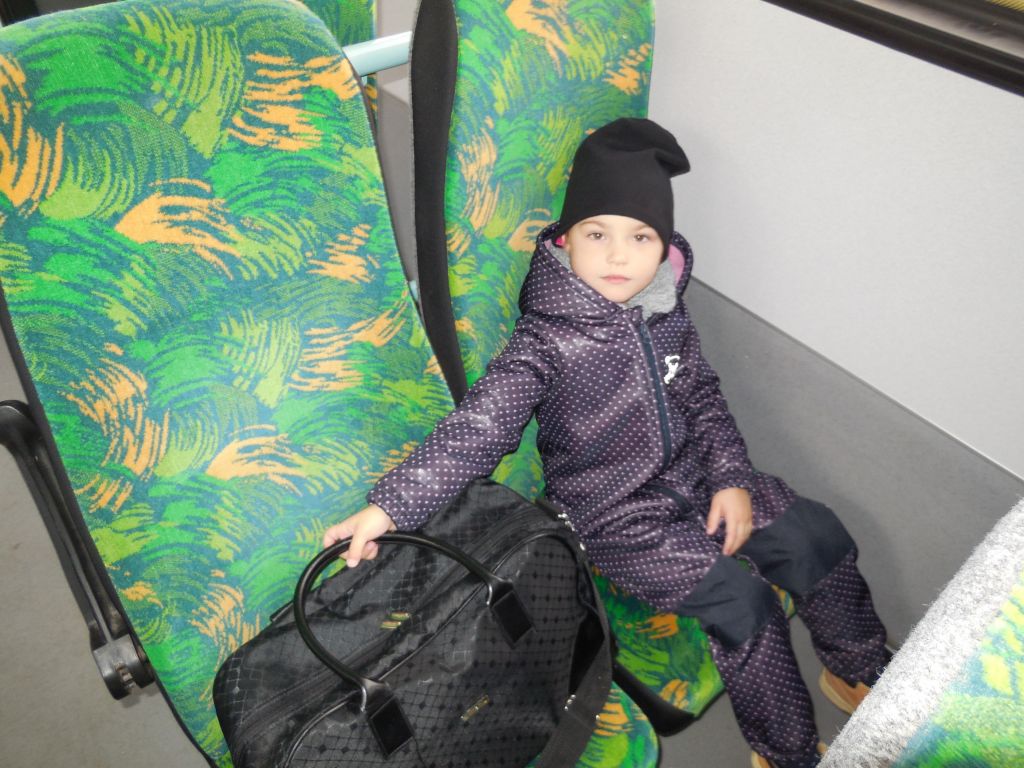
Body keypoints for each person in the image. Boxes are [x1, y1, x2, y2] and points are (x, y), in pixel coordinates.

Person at [323, 118, 889, 768]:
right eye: (598, 234)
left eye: (639, 237)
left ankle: (857, 667)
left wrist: (732, 477)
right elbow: (479, 427)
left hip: (697, 481)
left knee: (816, 533)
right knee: (744, 604)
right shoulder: (545, 341)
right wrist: (390, 507)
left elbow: (702, 396)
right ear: (566, 240)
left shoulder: (666, 310)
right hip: (616, 519)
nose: (619, 256)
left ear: (663, 246)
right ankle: (787, 754)